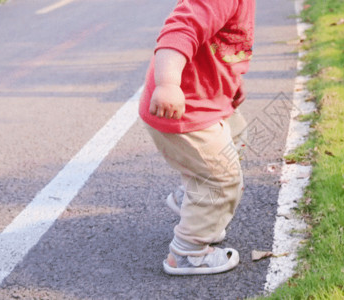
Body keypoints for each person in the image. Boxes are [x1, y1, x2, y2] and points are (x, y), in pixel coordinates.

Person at [138, 0, 255, 275]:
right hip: (183, 111)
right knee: (221, 176)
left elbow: (223, 44)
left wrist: (231, 82)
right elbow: (179, 31)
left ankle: (194, 199)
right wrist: (168, 85)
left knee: (237, 134)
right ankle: (188, 251)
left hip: (207, 103)